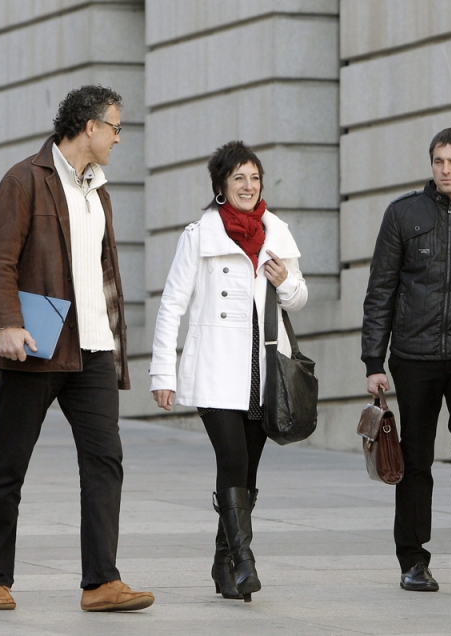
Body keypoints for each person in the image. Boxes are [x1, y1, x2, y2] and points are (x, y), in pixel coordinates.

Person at [0, 85, 154, 612]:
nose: (120, 137)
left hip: (94, 348)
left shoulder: (99, 190)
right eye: (116, 127)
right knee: (9, 463)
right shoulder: (25, 180)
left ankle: (100, 581)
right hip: (38, 346)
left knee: (105, 461)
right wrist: (5, 323)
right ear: (90, 127)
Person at [150, 141, 308, 602]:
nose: (248, 185)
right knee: (232, 459)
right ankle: (244, 562)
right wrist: (164, 372)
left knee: (249, 469)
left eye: (254, 177)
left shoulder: (276, 232)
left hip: (262, 371)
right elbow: (171, 306)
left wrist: (286, 281)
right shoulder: (200, 234)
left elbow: (298, 298)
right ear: (221, 186)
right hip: (216, 369)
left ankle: (223, 564)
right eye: (238, 178)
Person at [361, 128, 451, 593]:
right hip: (413, 355)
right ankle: (413, 560)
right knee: (414, 459)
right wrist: (373, 360)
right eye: (439, 161)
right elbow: (380, 289)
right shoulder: (403, 214)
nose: (445, 169)